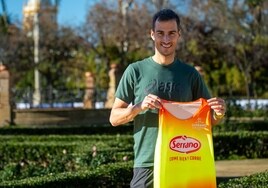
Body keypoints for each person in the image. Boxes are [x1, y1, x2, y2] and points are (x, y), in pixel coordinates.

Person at [109, 8, 226, 188]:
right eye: (160, 33)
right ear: (152, 34)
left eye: (171, 33)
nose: (166, 39)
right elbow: (114, 118)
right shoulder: (135, 71)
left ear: (179, 34)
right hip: (146, 163)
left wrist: (218, 114)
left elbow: (206, 119)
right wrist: (139, 106)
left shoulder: (190, 74)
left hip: (184, 160)